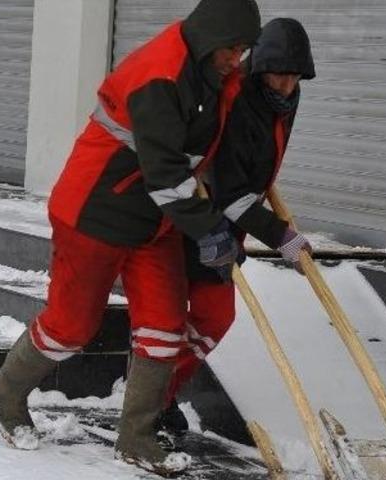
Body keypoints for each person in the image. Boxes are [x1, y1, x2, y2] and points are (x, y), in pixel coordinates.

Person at [0, 0, 261, 475]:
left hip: (153, 224)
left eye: (244, 49)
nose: (237, 58)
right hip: (96, 212)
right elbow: (166, 175)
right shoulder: (160, 75)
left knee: (163, 326)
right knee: (71, 326)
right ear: (210, 36)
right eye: (232, 48)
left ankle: (136, 437)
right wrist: (209, 229)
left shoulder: (214, 70)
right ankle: (6, 387)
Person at [156, 18, 317, 437]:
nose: (285, 85)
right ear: (260, 67)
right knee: (178, 315)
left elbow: (251, 171)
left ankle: (158, 393)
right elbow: (231, 192)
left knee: (213, 318)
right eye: (279, 75)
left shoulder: (285, 98)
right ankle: (149, 398)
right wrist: (282, 237)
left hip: (229, 219)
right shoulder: (240, 100)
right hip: (196, 213)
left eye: (294, 77)